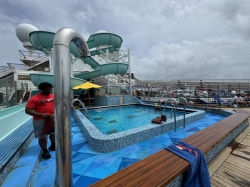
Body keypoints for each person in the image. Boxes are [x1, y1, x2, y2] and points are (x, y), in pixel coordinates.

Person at [25, 82, 55, 159]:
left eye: (50, 89)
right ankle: (45, 150)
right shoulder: (34, 98)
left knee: (53, 133)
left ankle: (53, 145)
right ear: (41, 89)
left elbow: (58, 107)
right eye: (47, 90)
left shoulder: (53, 96)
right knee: (42, 136)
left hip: (52, 119)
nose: (49, 91)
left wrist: (55, 114)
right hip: (40, 120)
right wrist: (42, 115)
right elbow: (27, 110)